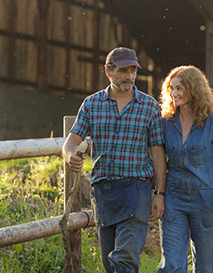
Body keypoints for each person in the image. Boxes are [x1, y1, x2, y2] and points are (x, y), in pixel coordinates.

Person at [62, 47, 166, 273]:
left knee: (124, 258)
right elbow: (70, 143)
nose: (129, 76)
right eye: (123, 71)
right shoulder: (92, 104)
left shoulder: (149, 106)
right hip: (103, 191)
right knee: (110, 263)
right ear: (108, 72)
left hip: (136, 189)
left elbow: (158, 152)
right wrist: (70, 156)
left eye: (133, 71)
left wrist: (159, 193)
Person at [157, 65, 213, 273]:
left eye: (179, 88)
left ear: (194, 89)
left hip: (206, 200)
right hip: (173, 200)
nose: (174, 94)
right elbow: (156, 158)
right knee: (171, 266)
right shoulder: (166, 123)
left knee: (208, 269)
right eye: (171, 89)